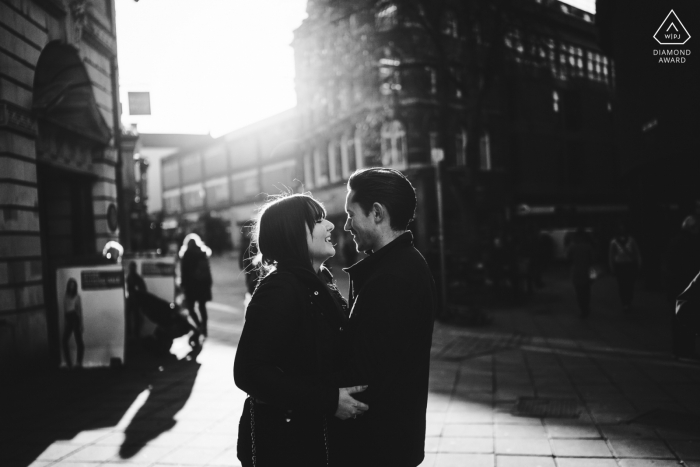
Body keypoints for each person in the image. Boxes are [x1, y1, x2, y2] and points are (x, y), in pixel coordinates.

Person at [233, 193, 369, 467]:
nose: (330, 226)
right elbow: (249, 372)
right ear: (293, 233)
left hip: (313, 438)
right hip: (287, 443)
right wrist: (329, 400)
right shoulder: (282, 287)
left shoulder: (319, 281)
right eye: (318, 221)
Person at [339, 168, 436, 467]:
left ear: (377, 213)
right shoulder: (401, 265)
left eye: (351, 214)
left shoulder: (392, 277)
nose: (346, 225)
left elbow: (365, 369)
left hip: (377, 445)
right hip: (392, 439)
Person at [665, 215, 700, 359]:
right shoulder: (693, 243)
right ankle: (687, 349)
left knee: (677, 319)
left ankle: (678, 349)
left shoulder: (674, 241)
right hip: (689, 286)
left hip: (676, 286)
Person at [180, 235, 213, 337]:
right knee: (202, 307)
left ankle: (199, 326)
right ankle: (205, 328)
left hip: (191, 286)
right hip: (203, 285)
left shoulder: (186, 254)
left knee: (190, 308)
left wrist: (183, 285)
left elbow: (184, 272)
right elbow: (207, 270)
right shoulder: (202, 254)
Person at [608, 225, 642, 313]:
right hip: (624, 265)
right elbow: (611, 255)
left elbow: (612, 256)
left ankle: (627, 301)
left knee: (627, 284)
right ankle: (626, 302)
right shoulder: (616, 242)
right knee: (623, 284)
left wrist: (612, 267)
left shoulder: (616, 241)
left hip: (625, 265)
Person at [568, 228, 596, 318]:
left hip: (576, 271)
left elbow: (568, 258)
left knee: (579, 292)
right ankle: (586, 308)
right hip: (586, 271)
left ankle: (582, 309)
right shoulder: (588, 246)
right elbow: (593, 260)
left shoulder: (572, 247)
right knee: (586, 291)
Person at [62, 278, 84, 369]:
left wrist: (81, 324)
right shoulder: (66, 296)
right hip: (69, 317)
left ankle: (78, 362)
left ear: (75, 287)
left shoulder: (77, 296)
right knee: (64, 341)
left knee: (78, 340)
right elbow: (65, 309)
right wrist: (65, 322)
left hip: (75, 317)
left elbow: (79, 310)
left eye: (73, 285)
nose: (72, 287)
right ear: (68, 286)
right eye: (70, 285)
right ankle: (69, 363)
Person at [126, 261, 147, 339]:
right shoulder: (130, 277)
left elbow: (143, 289)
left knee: (136, 317)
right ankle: (132, 333)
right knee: (133, 317)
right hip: (132, 300)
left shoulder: (135, 278)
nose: (131, 269)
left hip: (135, 300)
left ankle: (134, 333)